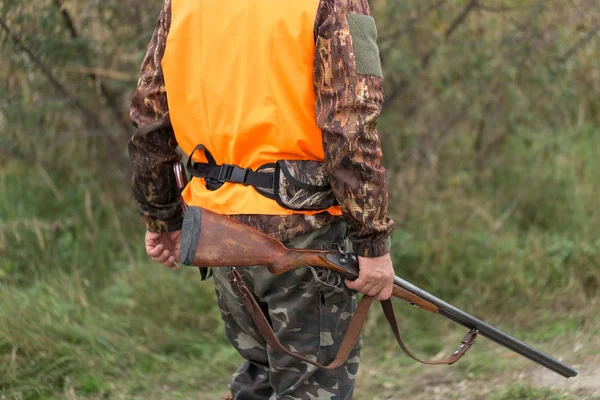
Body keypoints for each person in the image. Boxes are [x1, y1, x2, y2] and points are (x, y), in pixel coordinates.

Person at [128, 0, 395, 398]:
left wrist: (162, 216)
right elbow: (350, 125)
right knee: (308, 383)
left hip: (219, 229)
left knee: (260, 377)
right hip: (303, 234)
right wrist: (372, 242)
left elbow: (150, 114)